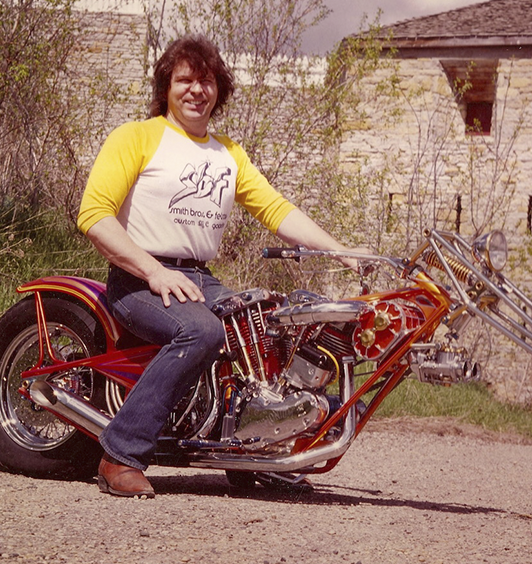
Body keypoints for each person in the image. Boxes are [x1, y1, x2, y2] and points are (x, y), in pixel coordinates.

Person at [77, 34, 355, 498]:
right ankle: (120, 454)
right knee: (202, 331)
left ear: (219, 90)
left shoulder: (228, 154)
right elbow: (95, 216)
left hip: (199, 277)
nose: (195, 90)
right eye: (184, 79)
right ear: (166, 86)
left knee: (274, 327)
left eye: (206, 81)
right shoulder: (138, 137)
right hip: (138, 278)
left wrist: (340, 249)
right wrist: (153, 272)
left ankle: (256, 448)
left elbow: (276, 210)